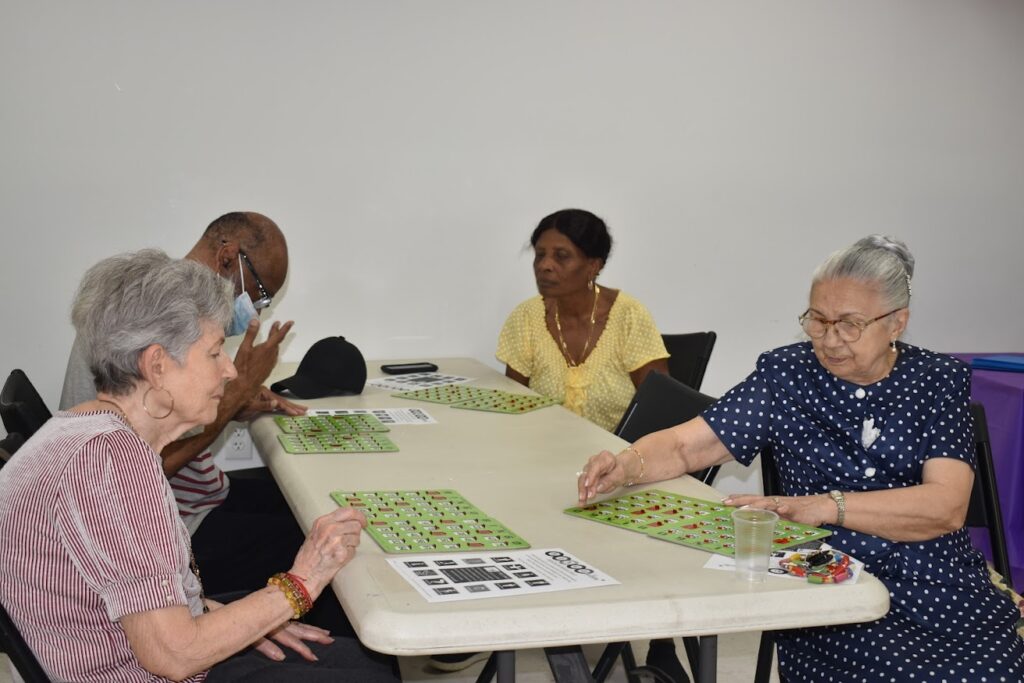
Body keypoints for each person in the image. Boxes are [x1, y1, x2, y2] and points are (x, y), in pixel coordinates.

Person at [578, 235, 1024, 681]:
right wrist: (627, 464)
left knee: (998, 671)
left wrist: (825, 506)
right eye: (818, 320)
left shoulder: (937, 380)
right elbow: (686, 445)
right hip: (832, 579)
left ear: (896, 323)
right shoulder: (787, 375)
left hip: (939, 579)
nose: (829, 339)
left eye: (849, 324)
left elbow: (946, 507)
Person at [0, 250, 398, 682]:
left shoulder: (86, 432)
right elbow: (172, 655)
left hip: (146, 645)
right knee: (373, 674)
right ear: (156, 366)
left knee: (360, 660)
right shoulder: (108, 464)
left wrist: (250, 618)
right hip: (146, 669)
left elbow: (144, 600)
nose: (230, 371)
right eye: (214, 353)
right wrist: (303, 581)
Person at [58, 212, 312, 602]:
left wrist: (236, 400)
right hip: (164, 530)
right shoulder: (156, 320)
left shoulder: (161, 301)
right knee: (312, 539)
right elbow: (145, 465)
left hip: (191, 497)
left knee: (304, 508)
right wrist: (238, 390)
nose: (256, 312)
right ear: (228, 257)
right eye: (259, 295)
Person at [497, 208, 670, 432]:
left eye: (561, 256)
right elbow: (514, 404)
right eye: (540, 255)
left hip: (617, 450)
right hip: (542, 445)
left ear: (593, 266)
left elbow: (658, 406)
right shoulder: (526, 317)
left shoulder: (629, 316)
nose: (544, 265)